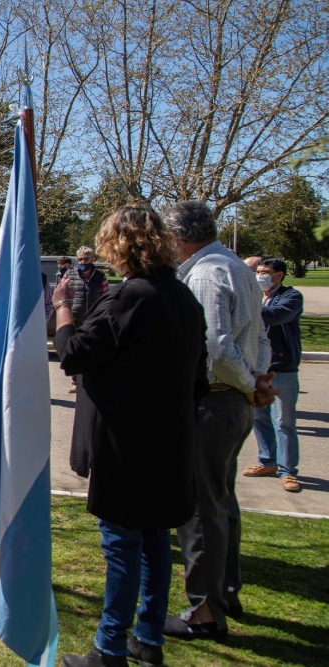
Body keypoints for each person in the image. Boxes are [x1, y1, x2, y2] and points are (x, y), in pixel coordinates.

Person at [56, 204, 209, 667]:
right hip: (170, 443)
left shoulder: (129, 297)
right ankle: (148, 640)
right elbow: (198, 379)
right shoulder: (183, 298)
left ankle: (109, 648)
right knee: (156, 542)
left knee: (123, 546)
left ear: (118, 245)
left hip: (127, 446)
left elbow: (75, 355)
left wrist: (62, 307)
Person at [162, 200, 275, 641]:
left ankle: (206, 612)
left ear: (179, 236)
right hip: (236, 399)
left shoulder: (207, 273)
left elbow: (218, 347)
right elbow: (259, 338)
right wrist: (259, 378)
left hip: (215, 400)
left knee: (200, 507)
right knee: (222, 500)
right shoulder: (237, 266)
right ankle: (225, 591)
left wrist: (249, 384)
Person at [245, 257, 304, 493]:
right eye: (258, 271)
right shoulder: (253, 295)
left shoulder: (292, 296)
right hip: (257, 367)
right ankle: (267, 461)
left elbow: (277, 315)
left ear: (279, 275)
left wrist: (245, 308)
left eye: (265, 271)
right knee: (259, 418)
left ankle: (288, 471)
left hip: (282, 367)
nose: (260, 275)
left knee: (284, 422)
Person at [64, 246, 109, 392]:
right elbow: (61, 294)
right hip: (74, 318)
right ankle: (76, 382)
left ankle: (91, 381)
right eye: (80, 259)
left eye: (86, 259)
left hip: (93, 320)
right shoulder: (69, 275)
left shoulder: (100, 277)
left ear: (93, 259)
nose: (83, 261)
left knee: (92, 352)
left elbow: (105, 297)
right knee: (76, 351)